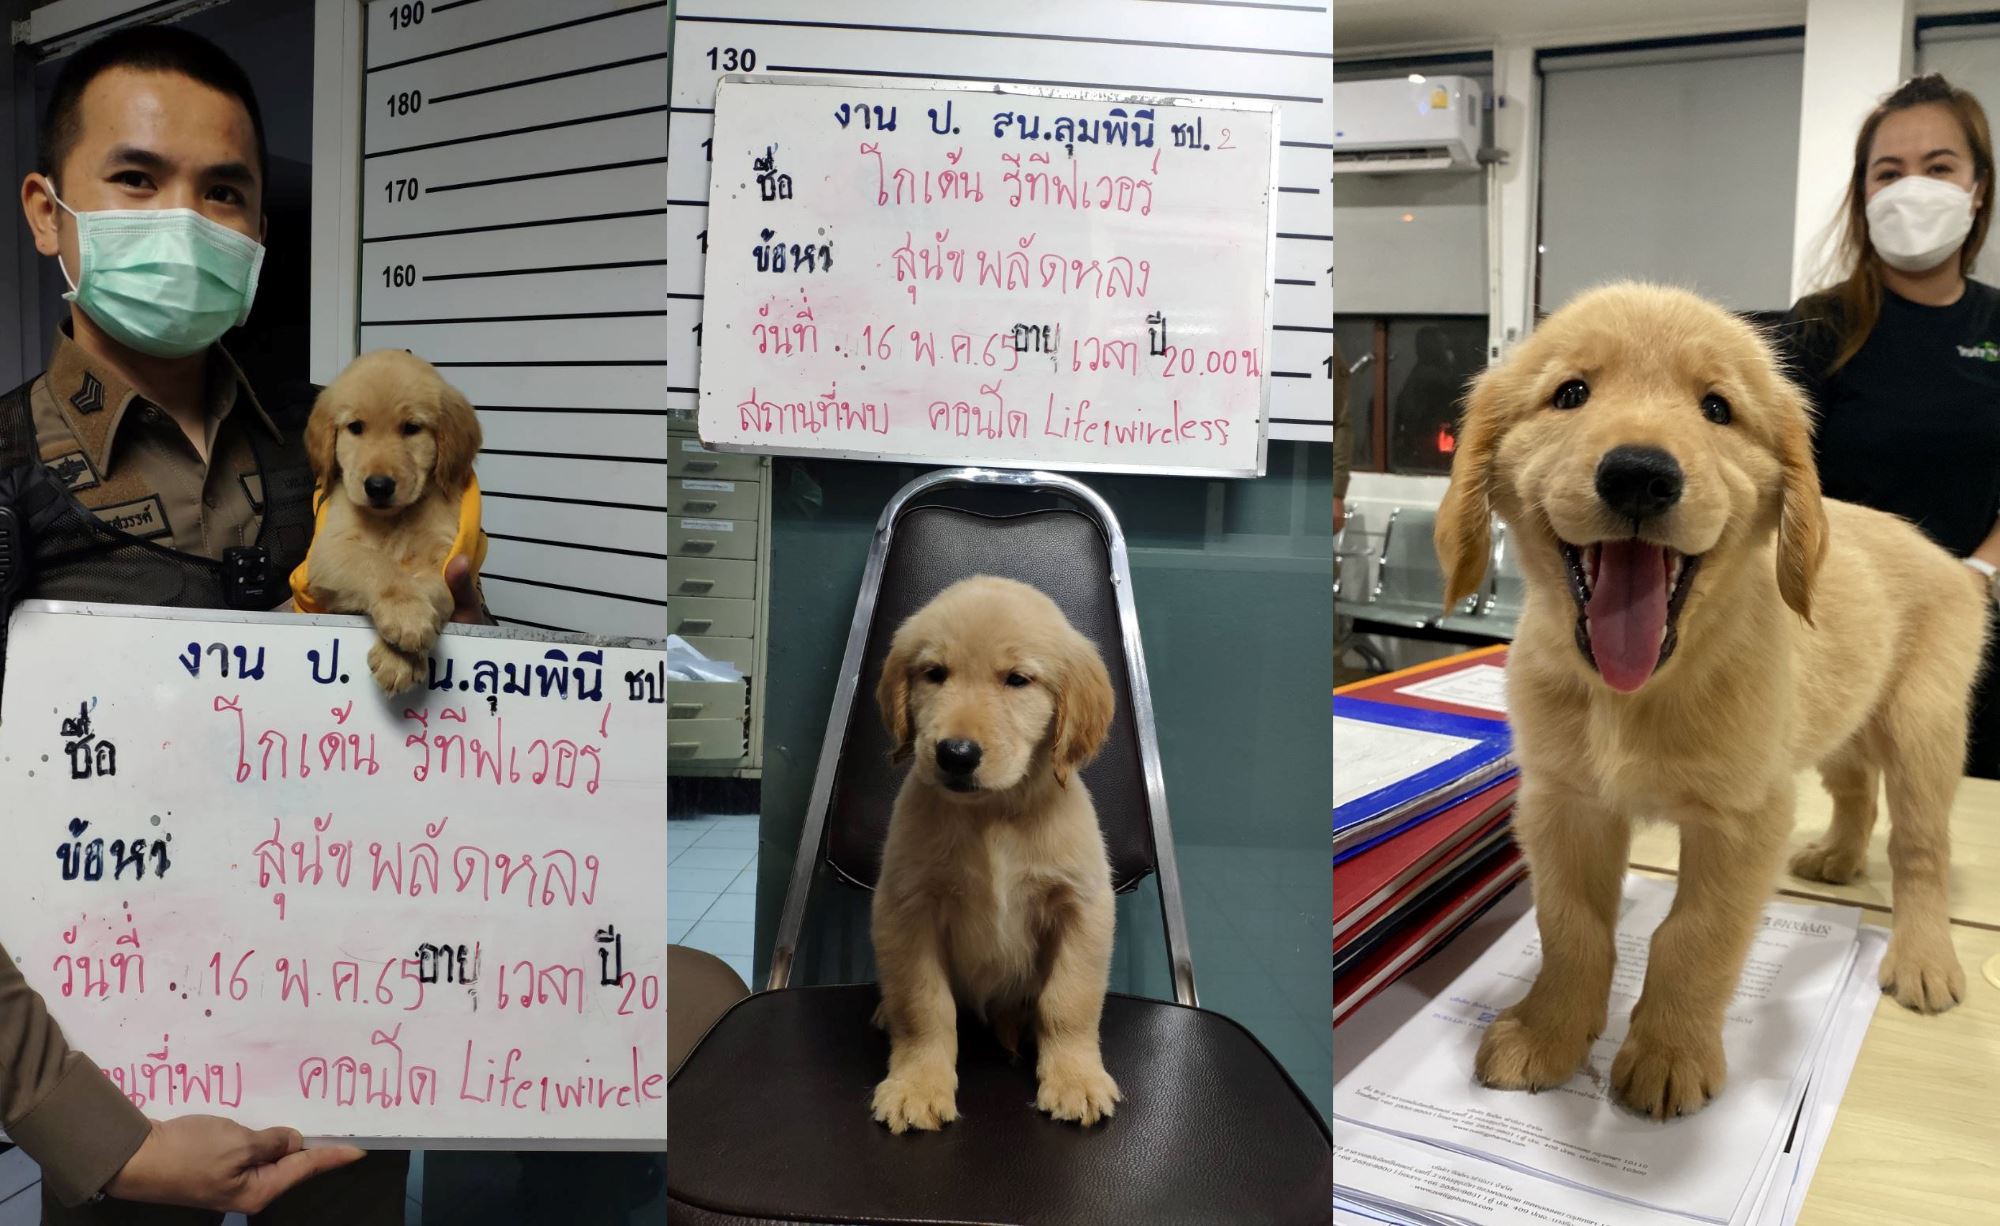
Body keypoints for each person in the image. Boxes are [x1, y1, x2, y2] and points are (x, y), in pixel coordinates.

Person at [0, 25, 480, 1223]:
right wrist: (102, 1138)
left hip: (351, 1044)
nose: (186, 220)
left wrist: (457, 614)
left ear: (261, 232)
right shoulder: (9, 469)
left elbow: (453, 735)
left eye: (225, 192)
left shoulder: (336, 439)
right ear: (48, 211)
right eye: (137, 178)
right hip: (122, 1074)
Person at [1780, 73, 2000, 778]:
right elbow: (1777, 479)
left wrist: (1979, 574)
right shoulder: (1817, 326)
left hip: (1973, 625)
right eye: (1890, 172)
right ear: (1864, 193)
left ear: (1977, 188)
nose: (1913, 188)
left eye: (1939, 168)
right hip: (1836, 630)